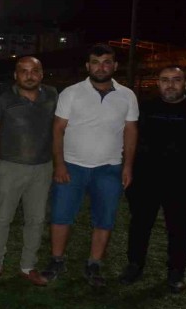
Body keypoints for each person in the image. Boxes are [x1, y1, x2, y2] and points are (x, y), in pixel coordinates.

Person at [119, 66, 186, 293]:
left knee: (179, 228)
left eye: (176, 80)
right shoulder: (145, 108)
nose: (170, 84)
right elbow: (129, 137)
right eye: (165, 80)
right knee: (139, 224)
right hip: (145, 179)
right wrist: (127, 167)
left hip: (182, 181)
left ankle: (176, 271)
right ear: (158, 83)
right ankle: (135, 265)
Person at [42, 44, 138, 287]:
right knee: (61, 216)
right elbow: (58, 129)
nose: (101, 67)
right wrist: (59, 165)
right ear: (88, 66)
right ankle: (56, 260)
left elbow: (130, 131)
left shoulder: (127, 95)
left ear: (115, 66)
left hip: (109, 168)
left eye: (107, 62)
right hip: (72, 166)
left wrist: (128, 166)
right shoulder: (71, 93)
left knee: (105, 218)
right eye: (95, 62)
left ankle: (94, 264)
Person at [0, 56, 56, 286]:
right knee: (2, 218)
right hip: (10, 166)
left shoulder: (52, 95)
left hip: (42, 167)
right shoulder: (3, 98)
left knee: (36, 219)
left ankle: (28, 266)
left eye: (34, 71)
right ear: (16, 75)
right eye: (24, 71)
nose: (29, 76)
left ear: (41, 74)